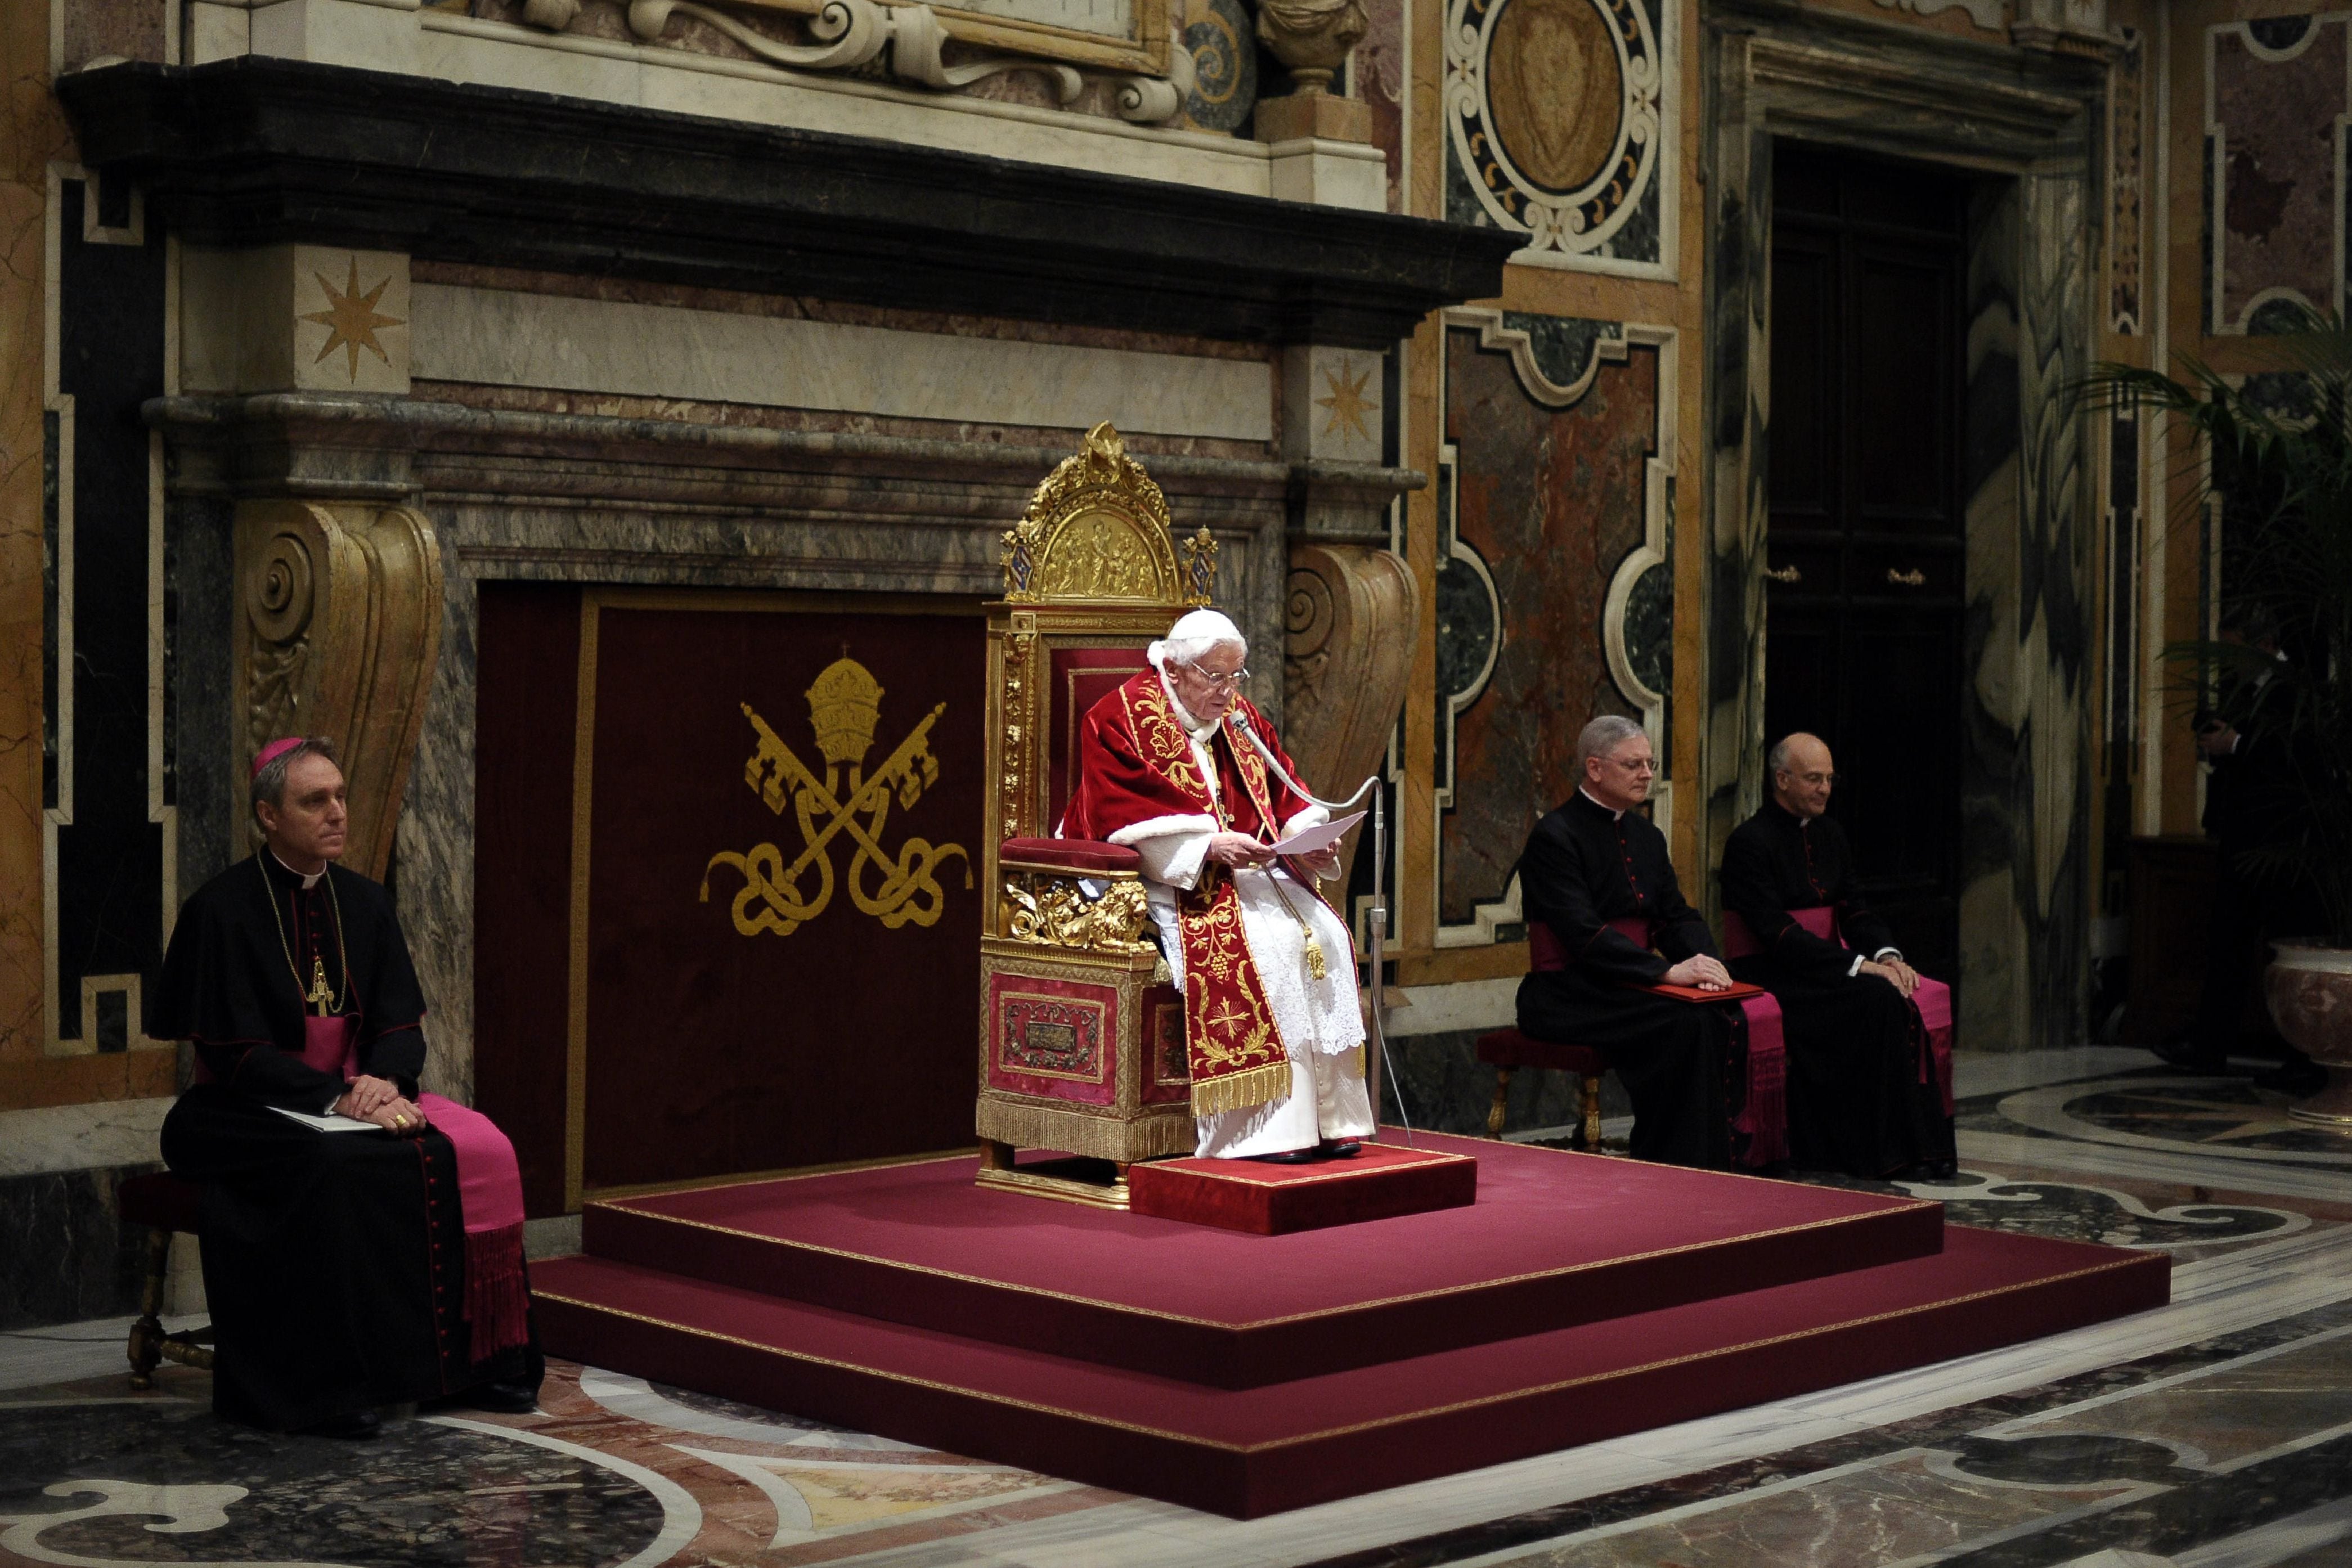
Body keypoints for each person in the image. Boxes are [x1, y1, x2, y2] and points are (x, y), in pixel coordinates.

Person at [150, 736, 541, 1437]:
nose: (336, 812)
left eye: (339, 796)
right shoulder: (221, 910)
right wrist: (334, 1097)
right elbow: (234, 1053)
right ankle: (330, 1387)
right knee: (335, 1164)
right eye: (314, 801)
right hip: (239, 1109)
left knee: (481, 1149)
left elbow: (400, 1025)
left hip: (360, 1096)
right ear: (269, 816)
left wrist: (383, 1082)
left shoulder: (365, 903)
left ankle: (482, 1361)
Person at [1060, 609, 1373, 1162]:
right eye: (1216, 678)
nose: (1229, 692)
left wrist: (1309, 834)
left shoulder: (1240, 719)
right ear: (1175, 671)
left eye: (1236, 677)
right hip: (1167, 880)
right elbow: (1117, 810)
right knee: (1270, 949)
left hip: (1249, 870)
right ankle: (1268, 1129)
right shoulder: (1120, 719)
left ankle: (1329, 1120)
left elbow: (1285, 791)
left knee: (1323, 935)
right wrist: (1206, 847)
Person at [1514, 716, 1752, 1169]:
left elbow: (1674, 916)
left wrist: (1707, 964)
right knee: (1682, 1022)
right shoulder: (1554, 837)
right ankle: (1670, 1162)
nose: (1647, 773)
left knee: (1715, 1012)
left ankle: (1712, 1160)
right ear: (1595, 768)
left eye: (1650, 763)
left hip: (1625, 985)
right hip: (1567, 991)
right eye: (1634, 764)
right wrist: (1665, 971)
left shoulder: (1647, 835)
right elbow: (1581, 932)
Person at [1719, 733, 1957, 1180]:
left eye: (1829, 778)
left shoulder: (1832, 833)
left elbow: (1856, 909)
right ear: (1782, 779)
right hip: (1773, 971)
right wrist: (1856, 965)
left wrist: (1886, 955)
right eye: (1813, 779)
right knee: (1876, 1000)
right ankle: (1876, 1151)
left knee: (1896, 992)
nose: (1825, 788)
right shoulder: (1749, 842)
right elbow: (1778, 933)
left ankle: (1916, 1145)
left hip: (1824, 968)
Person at [2166, 627, 2326, 1094]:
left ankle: (2304, 1055)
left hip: (2280, 845)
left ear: (2262, 644)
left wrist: (2235, 744)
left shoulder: (2291, 689)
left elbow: (2292, 755)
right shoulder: (2245, 690)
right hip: (2242, 839)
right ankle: (2209, 1045)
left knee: (2285, 948)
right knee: (2227, 945)